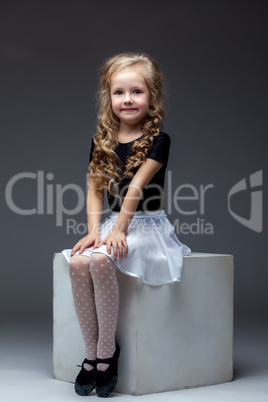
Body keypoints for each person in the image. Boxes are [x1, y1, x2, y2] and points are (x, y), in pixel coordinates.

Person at [62, 52, 191, 397]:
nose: (128, 99)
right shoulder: (100, 141)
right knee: (77, 262)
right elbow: (94, 188)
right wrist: (94, 231)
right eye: (119, 92)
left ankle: (107, 353)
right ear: (109, 98)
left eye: (137, 91)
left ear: (153, 97)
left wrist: (119, 229)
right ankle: (90, 354)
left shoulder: (158, 139)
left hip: (146, 224)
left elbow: (136, 188)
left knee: (102, 259)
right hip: (112, 223)